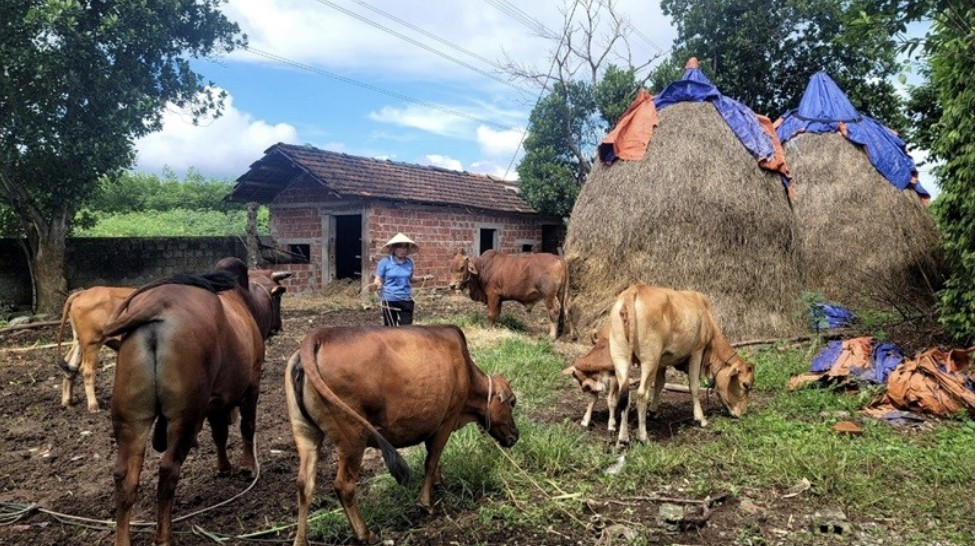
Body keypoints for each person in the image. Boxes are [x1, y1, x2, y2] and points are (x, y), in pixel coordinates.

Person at [372, 232, 418, 326]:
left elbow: (409, 279)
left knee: (407, 329)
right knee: (390, 329)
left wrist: (423, 279)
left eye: (405, 247)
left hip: (406, 299)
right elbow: (378, 279)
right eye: (400, 247)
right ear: (393, 248)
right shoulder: (385, 262)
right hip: (390, 299)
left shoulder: (409, 262)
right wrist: (378, 284)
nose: (403, 250)